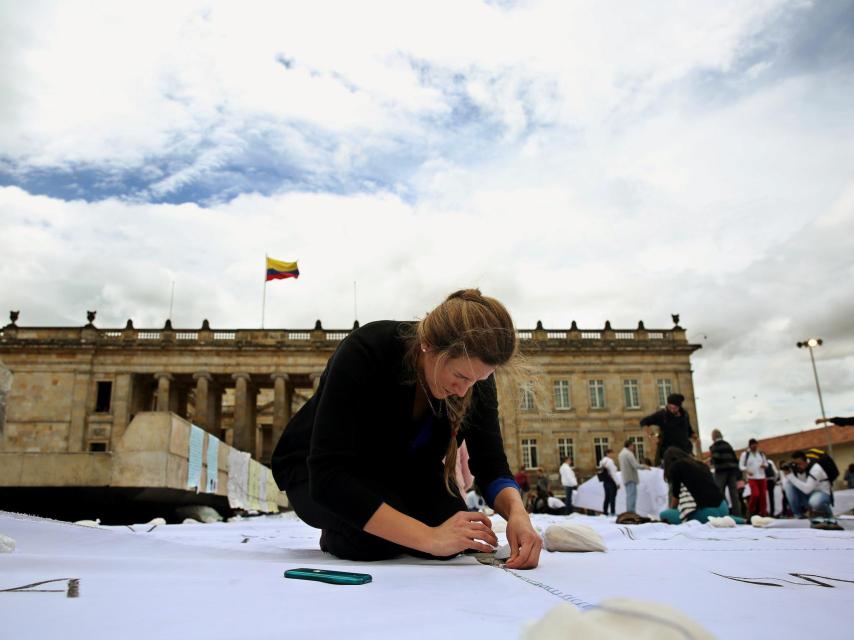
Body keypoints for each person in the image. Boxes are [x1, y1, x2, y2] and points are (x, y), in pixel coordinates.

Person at [271, 289, 542, 568]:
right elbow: (328, 475)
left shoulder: (474, 377)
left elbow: (491, 463)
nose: (464, 392)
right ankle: (343, 532)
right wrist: (429, 537)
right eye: (460, 376)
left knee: (458, 533)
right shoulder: (367, 349)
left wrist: (518, 514)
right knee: (376, 540)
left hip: (402, 472)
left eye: (477, 380)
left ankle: (387, 520)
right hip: (318, 473)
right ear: (428, 345)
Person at [659, 447, 729, 524]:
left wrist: (672, 510)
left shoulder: (676, 466)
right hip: (723, 507)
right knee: (721, 519)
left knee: (664, 515)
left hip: (708, 512)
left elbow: (676, 496)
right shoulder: (701, 464)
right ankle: (738, 520)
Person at [781, 450, 839, 529]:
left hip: (822, 493)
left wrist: (790, 476)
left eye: (799, 464)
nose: (797, 466)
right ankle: (799, 515)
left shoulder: (815, 468)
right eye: (795, 464)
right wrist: (787, 473)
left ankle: (829, 518)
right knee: (788, 485)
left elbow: (807, 489)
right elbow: (786, 487)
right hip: (808, 496)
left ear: (806, 461)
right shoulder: (795, 468)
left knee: (815, 502)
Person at [640, 393, 695, 465]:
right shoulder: (662, 415)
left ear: (679, 407)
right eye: (670, 407)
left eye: (674, 408)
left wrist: (696, 438)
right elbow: (643, 422)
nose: (672, 410)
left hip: (685, 452)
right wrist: (652, 435)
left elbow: (689, 430)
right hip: (669, 454)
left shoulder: (685, 415)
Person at [708, 429, 742, 518]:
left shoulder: (714, 446)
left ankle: (724, 513)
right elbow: (735, 458)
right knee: (734, 494)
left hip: (721, 471)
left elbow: (716, 457)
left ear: (713, 437)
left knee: (719, 492)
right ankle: (737, 515)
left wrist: (710, 461)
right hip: (732, 471)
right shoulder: (728, 445)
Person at [739, 438, 769, 517]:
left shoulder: (761, 454)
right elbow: (741, 466)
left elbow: (766, 463)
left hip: (762, 477)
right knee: (755, 494)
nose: (754, 448)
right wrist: (747, 470)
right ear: (750, 446)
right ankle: (750, 511)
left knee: (763, 496)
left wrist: (764, 466)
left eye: (756, 446)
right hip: (752, 478)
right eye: (753, 446)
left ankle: (763, 513)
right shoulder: (745, 454)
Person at [618, 440, 647, 514]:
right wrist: (644, 466)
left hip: (626, 477)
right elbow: (635, 465)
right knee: (632, 496)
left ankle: (629, 511)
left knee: (629, 496)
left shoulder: (621, 453)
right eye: (633, 446)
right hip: (631, 477)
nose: (634, 447)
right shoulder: (628, 454)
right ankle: (631, 512)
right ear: (630, 445)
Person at [598, 449, 620, 516]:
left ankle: (605, 511)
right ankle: (612, 512)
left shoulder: (602, 461)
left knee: (607, 497)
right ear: (607, 454)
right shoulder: (610, 461)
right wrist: (617, 483)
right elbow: (613, 473)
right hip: (611, 481)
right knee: (612, 497)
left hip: (605, 481)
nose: (612, 455)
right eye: (611, 453)